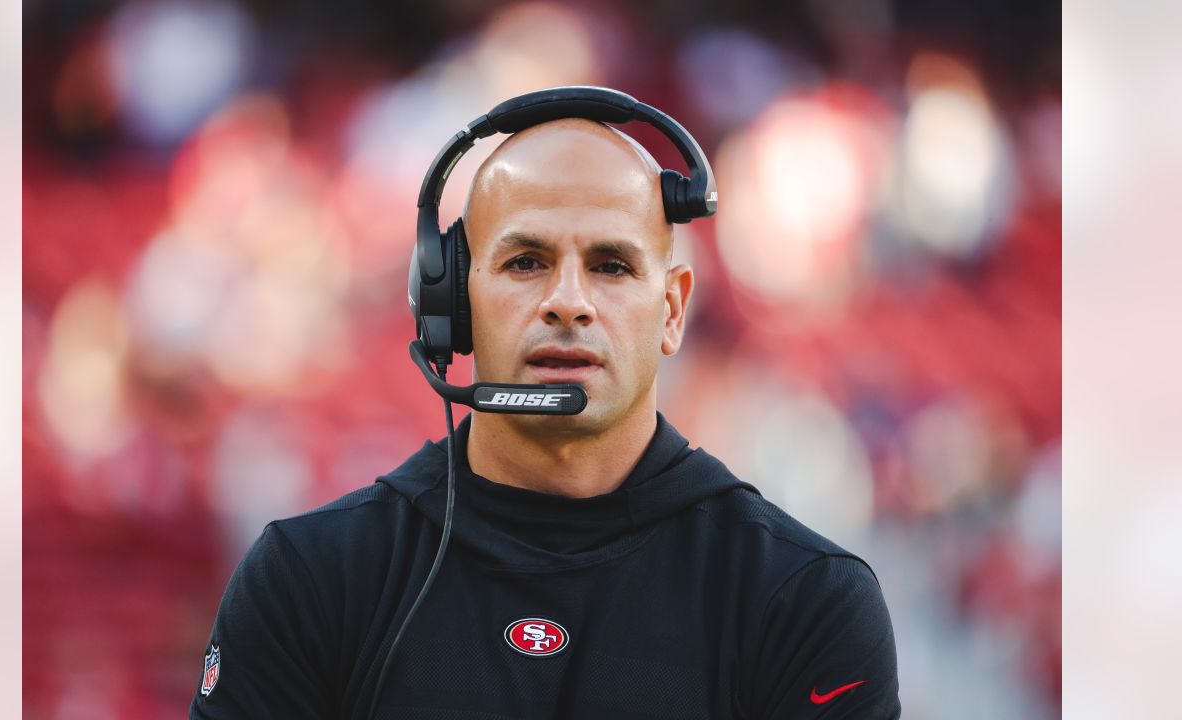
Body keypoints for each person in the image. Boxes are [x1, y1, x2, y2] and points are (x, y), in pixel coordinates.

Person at [190, 96, 900, 719]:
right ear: (452, 301)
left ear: (673, 309)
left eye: (612, 266)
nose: (568, 301)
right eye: (526, 261)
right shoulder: (312, 577)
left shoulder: (802, 599)